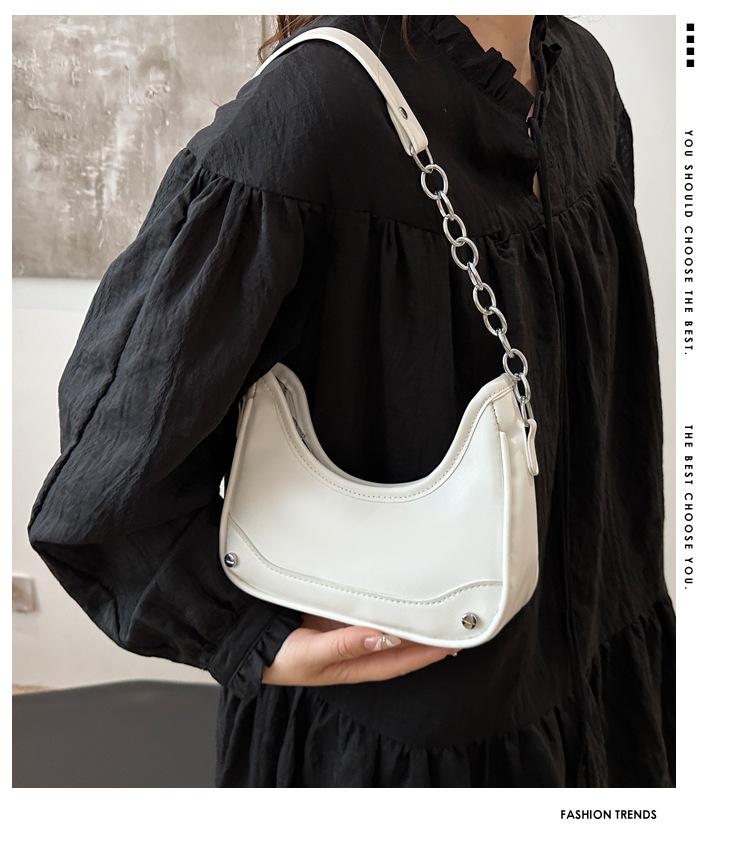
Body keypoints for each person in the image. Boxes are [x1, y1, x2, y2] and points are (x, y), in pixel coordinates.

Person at [27, 14, 676, 787]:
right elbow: (106, 474)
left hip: (608, 689)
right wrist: (247, 636)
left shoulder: (582, 76)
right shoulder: (316, 109)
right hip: (409, 744)